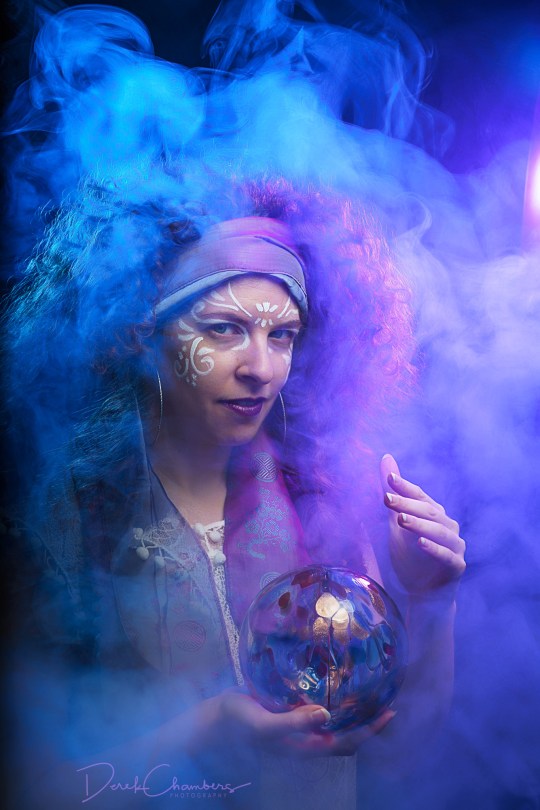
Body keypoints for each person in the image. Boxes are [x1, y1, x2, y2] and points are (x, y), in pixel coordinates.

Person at [4, 172, 466, 809]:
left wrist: (432, 597)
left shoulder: (319, 499)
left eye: (282, 335)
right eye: (223, 329)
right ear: (142, 331)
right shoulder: (65, 521)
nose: (260, 368)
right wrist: (202, 737)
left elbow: (400, 749)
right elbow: (31, 787)